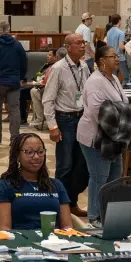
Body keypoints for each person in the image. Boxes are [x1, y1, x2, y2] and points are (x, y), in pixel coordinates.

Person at [40, 33, 92, 216]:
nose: (82, 46)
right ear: (68, 47)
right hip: (65, 120)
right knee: (65, 165)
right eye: (78, 43)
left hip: (82, 118)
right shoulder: (58, 68)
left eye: (83, 43)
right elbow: (48, 99)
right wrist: (53, 126)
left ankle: (72, 202)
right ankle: (57, 206)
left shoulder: (85, 66)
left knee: (82, 164)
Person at [78, 46, 131, 222]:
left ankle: (108, 214)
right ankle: (94, 216)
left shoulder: (114, 78)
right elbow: (96, 110)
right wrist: (126, 113)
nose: (117, 59)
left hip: (114, 137)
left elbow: (122, 102)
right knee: (99, 176)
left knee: (115, 176)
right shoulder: (95, 81)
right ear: (101, 60)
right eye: (113, 56)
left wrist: (128, 110)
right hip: (97, 137)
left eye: (118, 56)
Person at [0, 133, 74, 231]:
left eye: (40, 152)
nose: (36, 157)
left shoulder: (56, 185)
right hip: (20, 242)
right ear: (17, 155)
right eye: (29, 152)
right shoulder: (6, 186)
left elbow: (67, 227)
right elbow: (4, 230)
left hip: (54, 242)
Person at [0, 20, 29, 142]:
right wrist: (22, 78)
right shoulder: (17, 45)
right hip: (14, 83)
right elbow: (24, 62)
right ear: (9, 30)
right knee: (14, 110)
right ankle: (14, 138)